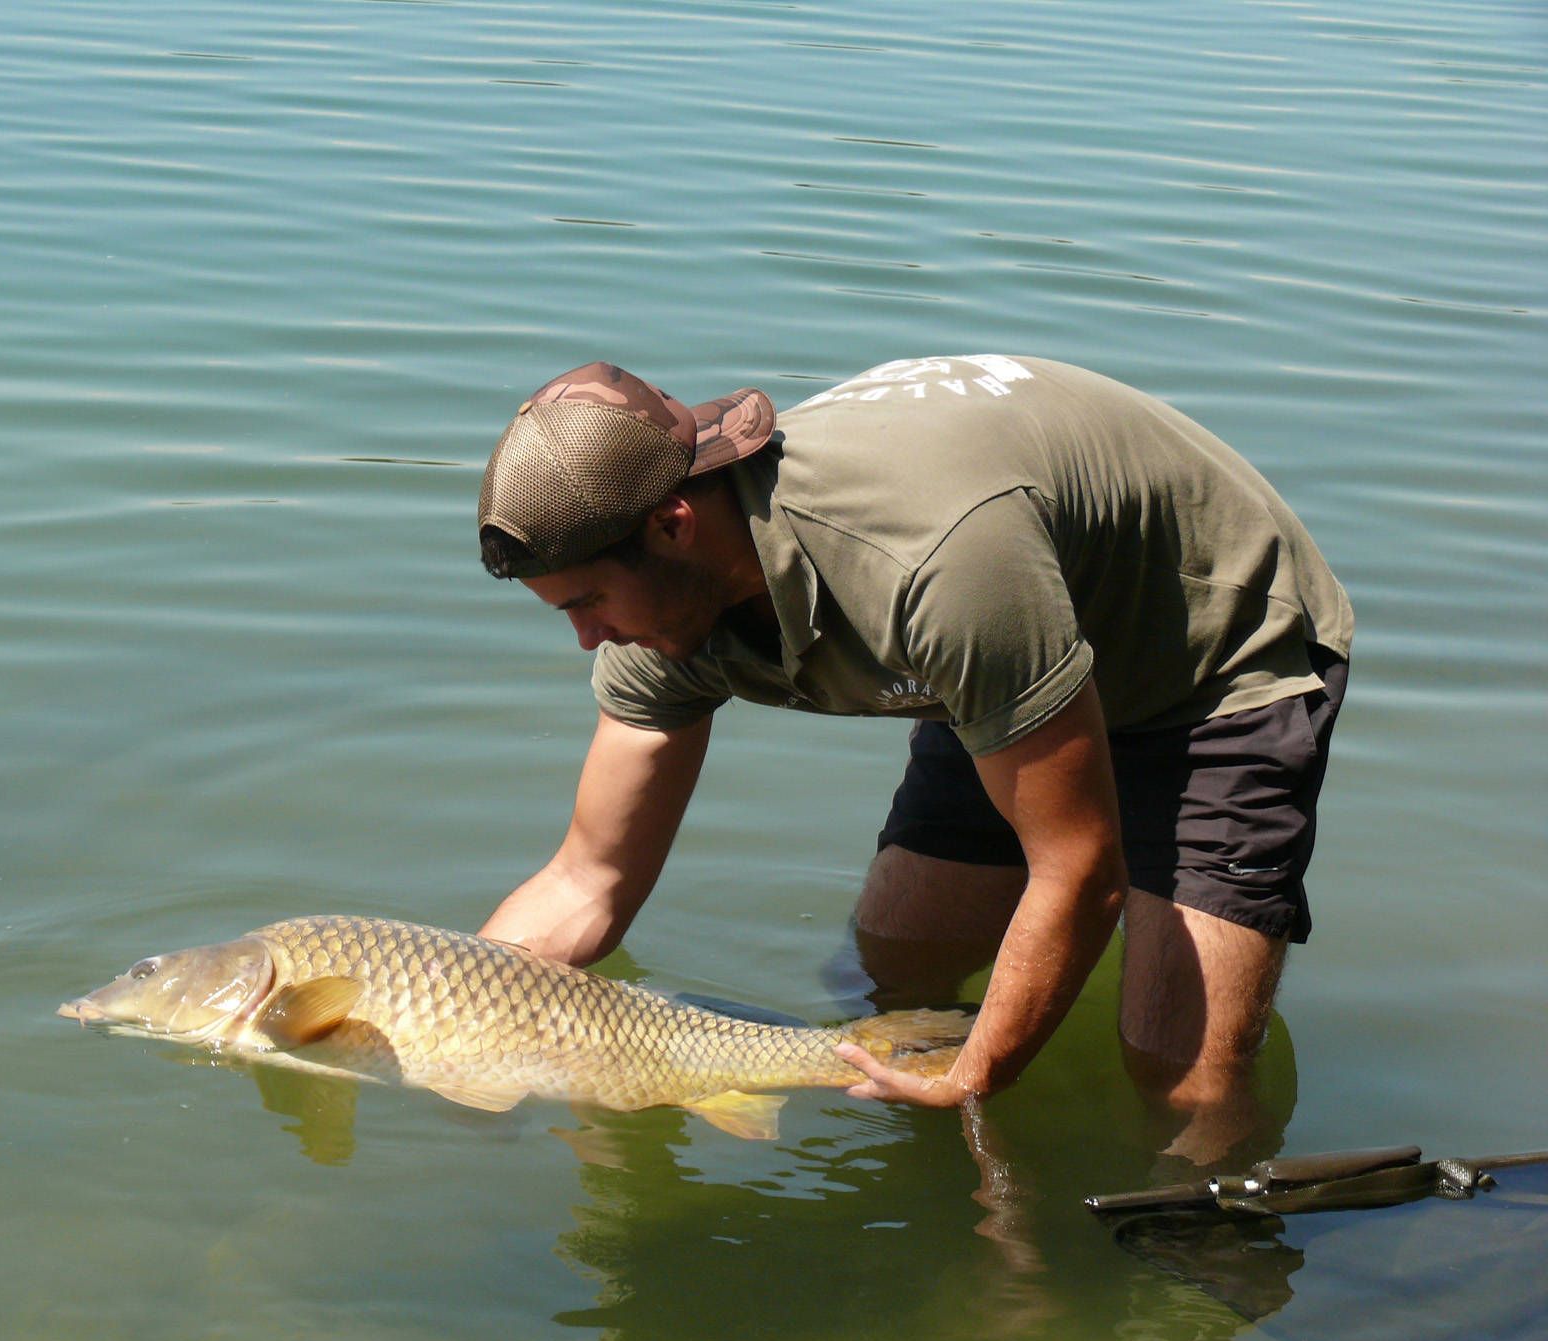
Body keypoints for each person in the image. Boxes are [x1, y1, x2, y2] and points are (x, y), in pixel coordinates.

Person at [473, 354, 1351, 1131]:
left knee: (1177, 1073)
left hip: (1206, 660)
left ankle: (1205, 1264)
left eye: (587, 604)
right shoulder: (657, 617)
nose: (586, 640)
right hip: (1000, 666)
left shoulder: (930, 568)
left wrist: (978, 1078)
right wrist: (446, 1027)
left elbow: (1081, 867)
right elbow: (587, 881)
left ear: (673, 523)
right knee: (897, 965)